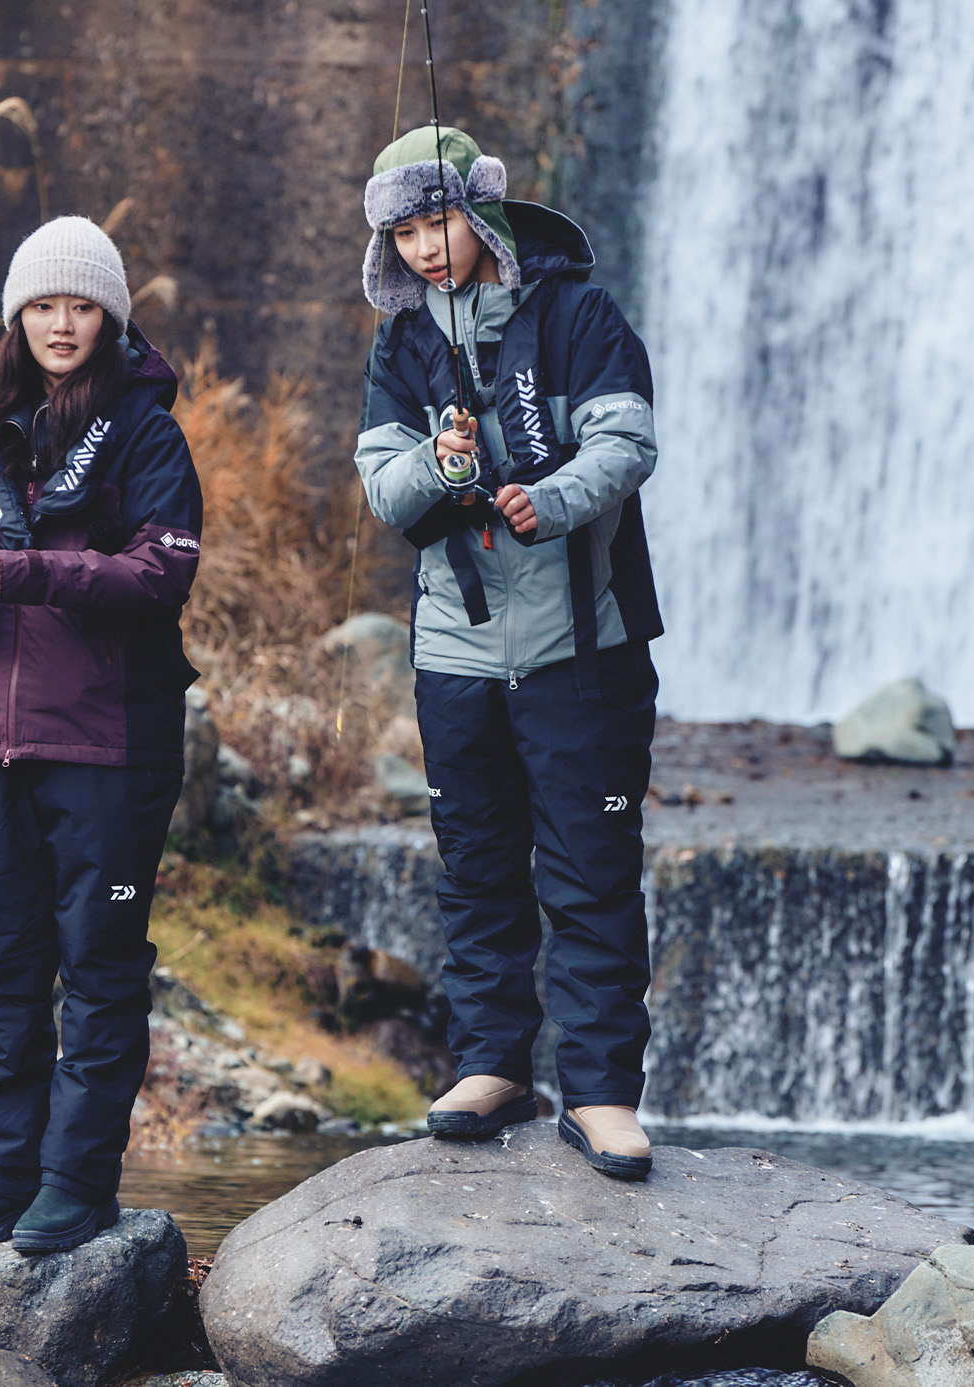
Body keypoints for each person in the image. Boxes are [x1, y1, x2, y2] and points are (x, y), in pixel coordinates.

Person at [353, 126, 664, 1179]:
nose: (423, 250)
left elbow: (628, 442)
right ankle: (491, 1063)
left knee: (591, 871)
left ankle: (605, 1092)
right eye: (401, 233)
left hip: (587, 644)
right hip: (456, 650)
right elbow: (383, 493)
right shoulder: (400, 346)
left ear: (480, 215)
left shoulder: (578, 314)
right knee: (477, 867)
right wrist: (443, 469)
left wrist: (553, 496)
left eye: (435, 222)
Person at [0, 215, 203, 1252]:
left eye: (82, 305)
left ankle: (77, 1187)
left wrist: (31, 570)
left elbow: (163, 574)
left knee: (101, 965)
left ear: (111, 317)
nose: (63, 323)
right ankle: (1, 1181)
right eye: (43, 305)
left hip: (114, 741)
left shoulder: (147, 434)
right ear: (16, 319)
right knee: (2, 968)